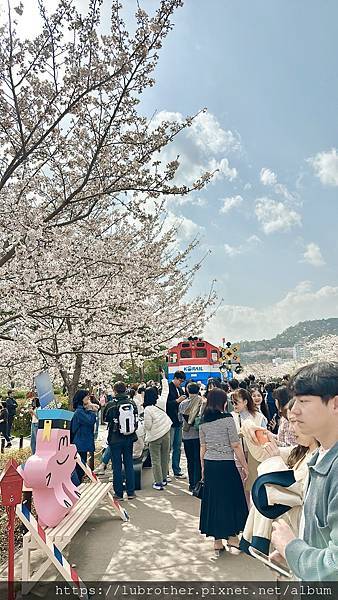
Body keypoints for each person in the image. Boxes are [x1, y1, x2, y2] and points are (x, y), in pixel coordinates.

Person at [271, 361, 338, 581]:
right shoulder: (319, 457)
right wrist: (295, 554)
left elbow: (334, 567)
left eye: (304, 401)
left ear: (335, 404)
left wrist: (292, 549)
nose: (295, 410)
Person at [240, 404, 319, 556]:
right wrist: (252, 429)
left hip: (302, 540)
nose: (290, 428)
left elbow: (290, 489)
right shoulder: (302, 451)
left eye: (296, 422)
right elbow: (263, 454)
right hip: (291, 537)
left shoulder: (320, 458)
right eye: (289, 422)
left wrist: (275, 459)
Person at [199, 388, 249, 556]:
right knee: (230, 499)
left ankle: (217, 541)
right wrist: (244, 465)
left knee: (214, 501)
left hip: (210, 464)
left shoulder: (203, 422)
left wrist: (203, 468)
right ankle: (232, 538)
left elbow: (202, 448)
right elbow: (235, 445)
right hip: (226, 464)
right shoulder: (227, 419)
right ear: (223, 402)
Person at [104, 381, 138, 500]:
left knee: (117, 466)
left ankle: (118, 493)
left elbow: (106, 418)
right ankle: (131, 492)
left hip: (115, 438)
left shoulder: (111, 404)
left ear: (115, 390)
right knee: (129, 463)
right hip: (129, 437)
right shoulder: (132, 403)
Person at [231, 388, 268, 495]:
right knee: (242, 488)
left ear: (245, 402)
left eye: (236, 402)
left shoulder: (259, 416)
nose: (234, 405)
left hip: (256, 456)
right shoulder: (232, 416)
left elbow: (264, 438)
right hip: (239, 456)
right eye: (232, 403)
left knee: (256, 486)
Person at [143, 370, 171, 490]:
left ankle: (158, 482)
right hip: (166, 432)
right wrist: (163, 377)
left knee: (156, 459)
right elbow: (166, 390)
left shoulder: (148, 409)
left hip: (155, 437)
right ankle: (164, 479)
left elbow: (148, 426)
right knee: (165, 457)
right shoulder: (161, 401)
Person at [178, 381, 205, 491]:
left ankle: (191, 484)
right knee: (198, 460)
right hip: (199, 435)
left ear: (187, 390)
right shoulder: (202, 402)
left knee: (190, 460)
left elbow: (180, 419)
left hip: (187, 435)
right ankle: (198, 483)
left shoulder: (183, 404)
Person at [71, 389, 99, 483]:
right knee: (80, 468)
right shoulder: (79, 412)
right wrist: (91, 410)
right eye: (86, 396)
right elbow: (90, 421)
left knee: (81, 467)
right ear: (81, 398)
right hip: (80, 443)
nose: (88, 397)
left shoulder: (82, 410)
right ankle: (78, 488)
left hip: (81, 442)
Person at [166, 370, 187, 478]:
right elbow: (165, 405)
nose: (181, 383)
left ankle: (176, 470)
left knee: (177, 447)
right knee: (168, 448)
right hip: (170, 421)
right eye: (180, 380)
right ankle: (166, 472)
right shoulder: (167, 388)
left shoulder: (180, 389)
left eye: (182, 381)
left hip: (179, 421)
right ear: (175, 378)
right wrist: (177, 401)